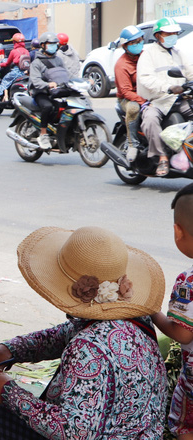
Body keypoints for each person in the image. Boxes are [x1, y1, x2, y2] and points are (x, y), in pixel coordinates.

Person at [0, 226, 167, 439]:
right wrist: (12, 348)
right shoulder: (135, 318)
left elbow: (74, 431)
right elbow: (65, 333)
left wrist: (9, 393)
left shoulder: (87, 348)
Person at [152, 183, 193, 439]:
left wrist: (151, 311)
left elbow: (183, 334)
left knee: (185, 426)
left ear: (178, 232)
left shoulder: (188, 282)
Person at [137, 17, 193, 177]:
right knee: (150, 120)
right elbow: (146, 78)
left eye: (174, 33)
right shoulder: (148, 54)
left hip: (181, 99)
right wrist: (167, 87)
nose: (172, 36)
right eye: (168, 33)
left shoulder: (178, 53)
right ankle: (161, 156)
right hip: (159, 100)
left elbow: (190, 72)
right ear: (158, 35)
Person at [29, 32, 71, 151]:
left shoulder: (58, 60)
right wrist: (48, 85)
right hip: (41, 92)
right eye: (50, 44)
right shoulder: (36, 62)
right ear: (43, 45)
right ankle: (43, 134)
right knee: (48, 106)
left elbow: (66, 74)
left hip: (57, 90)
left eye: (55, 44)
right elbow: (36, 81)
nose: (53, 46)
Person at [114, 25, 147, 162]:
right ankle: (133, 144)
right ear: (125, 46)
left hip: (148, 94)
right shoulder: (121, 65)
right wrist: (143, 101)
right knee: (134, 108)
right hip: (128, 99)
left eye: (139, 40)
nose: (138, 44)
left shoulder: (145, 56)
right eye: (134, 42)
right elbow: (126, 92)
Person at [0, 33, 30, 101]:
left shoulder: (14, 51)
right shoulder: (26, 51)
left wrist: (0, 65)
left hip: (16, 71)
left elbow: (7, 64)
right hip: (25, 72)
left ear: (14, 42)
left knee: (5, 80)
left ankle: (4, 96)